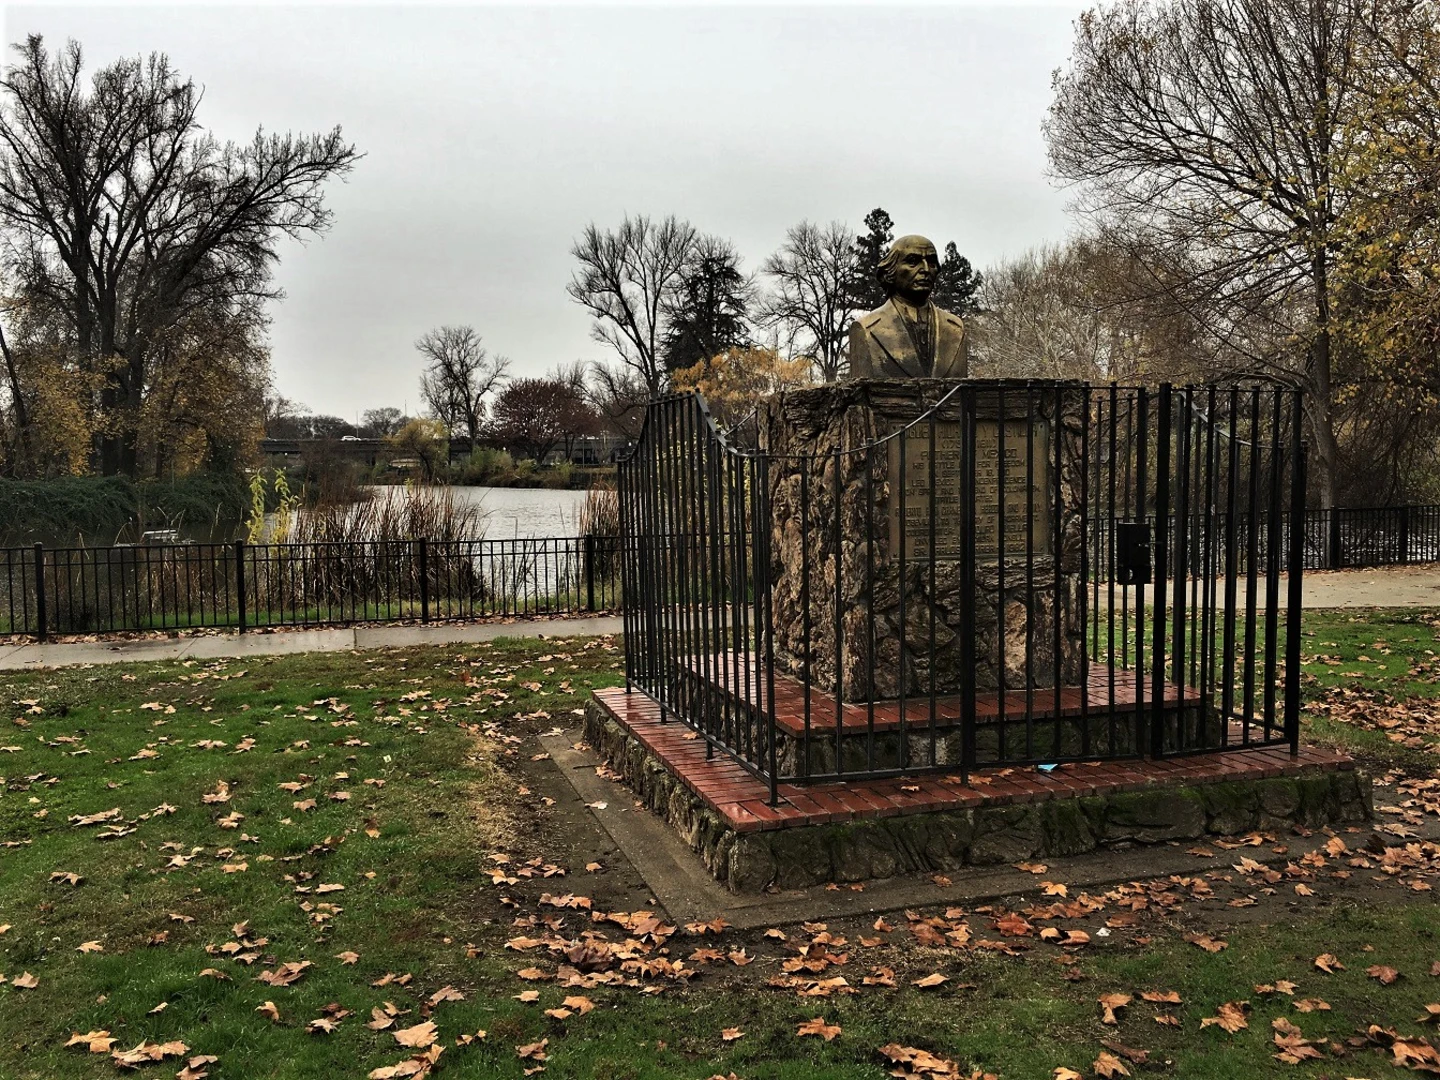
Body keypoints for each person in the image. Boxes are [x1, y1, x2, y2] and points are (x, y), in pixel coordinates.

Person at [847, 234, 967, 379]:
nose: (925, 269)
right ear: (890, 272)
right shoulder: (866, 329)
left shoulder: (955, 328)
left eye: (931, 262)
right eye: (912, 262)